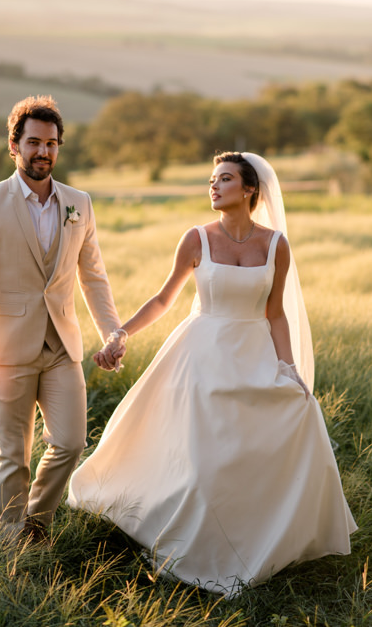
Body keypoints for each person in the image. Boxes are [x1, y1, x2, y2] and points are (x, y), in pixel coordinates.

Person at [68, 151, 356, 596]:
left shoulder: (276, 244)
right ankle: (196, 550)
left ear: (249, 190)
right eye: (211, 179)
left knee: (287, 425)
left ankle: (260, 540)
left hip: (254, 354)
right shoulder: (196, 239)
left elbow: (276, 314)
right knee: (203, 462)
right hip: (200, 358)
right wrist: (121, 333)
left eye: (224, 179)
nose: (214, 186)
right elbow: (164, 299)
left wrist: (289, 368)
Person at [0, 95, 122, 544]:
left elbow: (94, 278)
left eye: (51, 143)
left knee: (69, 443)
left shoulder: (78, 203)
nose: (43, 152)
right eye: (33, 142)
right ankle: (13, 548)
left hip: (62, 348)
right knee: (13, 455)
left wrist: (113, 331)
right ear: (14, 146)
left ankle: (34, 522)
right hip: (5, 350)